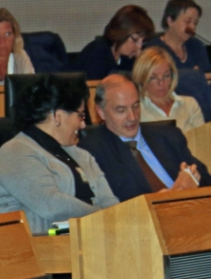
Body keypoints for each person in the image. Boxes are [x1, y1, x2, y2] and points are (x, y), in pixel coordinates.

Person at [0, 75, 118, 235]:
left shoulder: (82, 155)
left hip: (86, 240)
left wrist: (115, 219)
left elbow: (109, 201)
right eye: (80, 115)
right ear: (57, 116)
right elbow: (52, 205)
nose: (83, 124)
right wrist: (103, 217)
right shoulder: (15, 152)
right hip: (31, 245)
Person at [80, 74, 210, 202]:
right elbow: (108, 204)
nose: (132, 117)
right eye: (121, 110)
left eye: (136, 106)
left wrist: (192, 182)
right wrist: (164, 197)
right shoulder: (91, 151)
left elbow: (206, 180)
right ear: (101, 112)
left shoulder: (169, 136)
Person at [133, 46, 205, 133]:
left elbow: (203, 137)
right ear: (142, 79)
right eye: (153, 78)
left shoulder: (189, 104)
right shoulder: (136, 110)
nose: (161, 83)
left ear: (172, 76)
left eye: (166, 76)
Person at [73, 5, 155, 80]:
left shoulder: (127, 58)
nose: (139, 46)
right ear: (121, 33)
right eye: (135, 40)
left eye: (143, 41)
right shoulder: (97, 54)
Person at [146, 0, 211, 72]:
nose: (192, 27)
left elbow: (208, 74)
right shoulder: (154, 49)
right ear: (170, 21)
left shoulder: (197, 45)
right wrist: (193, 75)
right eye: (187, 21)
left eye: (195, 23)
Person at [0, 8, 35, 85]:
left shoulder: (20, 57)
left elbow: (30, 87)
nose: (3, 42)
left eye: (8, 34)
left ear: (15, 36)